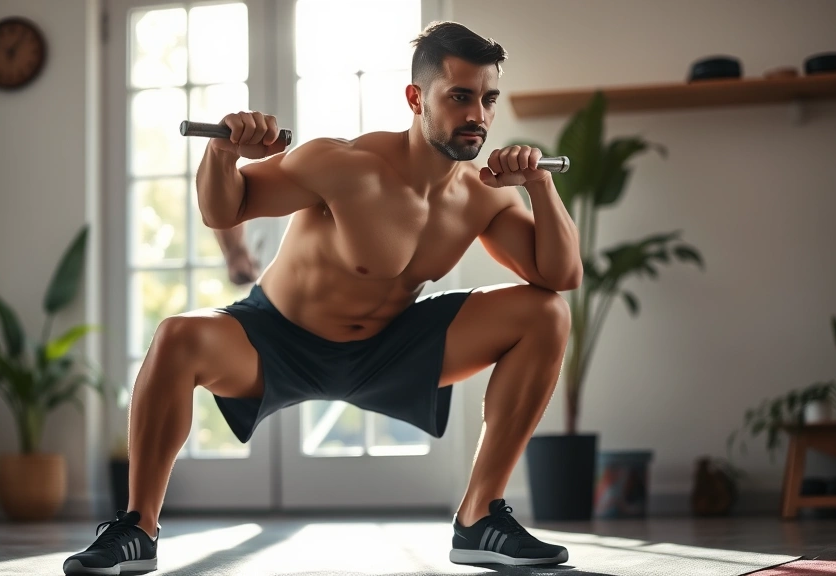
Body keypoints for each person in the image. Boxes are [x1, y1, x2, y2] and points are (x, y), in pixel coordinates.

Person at [64, 20, 581, 575]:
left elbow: (561, 274)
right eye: (459, 96)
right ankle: (138, 528)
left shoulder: (481, 196)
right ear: (415, 98)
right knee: (177, 336)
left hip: (391, 347)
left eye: (487, 99)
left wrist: (540, 188)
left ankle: (480, 518)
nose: (477, 115)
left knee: (545, 312)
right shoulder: (343, 164)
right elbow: (224, 209)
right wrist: (223, 151)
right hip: (278, 339)